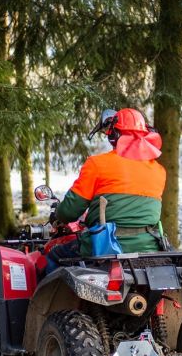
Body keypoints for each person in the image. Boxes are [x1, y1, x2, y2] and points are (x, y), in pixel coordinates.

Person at [46, 108, 167, 268]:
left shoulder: (97, 164)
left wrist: (59, 214)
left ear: (113, 135)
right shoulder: (159, 170)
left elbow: (69, 212)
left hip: (105, 247)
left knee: (54, 255)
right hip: (150, 246)